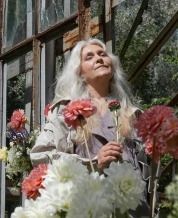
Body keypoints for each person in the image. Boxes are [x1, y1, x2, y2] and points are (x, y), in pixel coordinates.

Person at [31, 39, 148, 192]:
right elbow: (40, 155)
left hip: (131, 208)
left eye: (102, 54)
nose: (99, 58)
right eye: (89, 57)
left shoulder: (131, 113)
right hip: (89, 206)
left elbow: (148, 169)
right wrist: (92, 164)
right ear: (80, 73)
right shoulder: (64, 110)